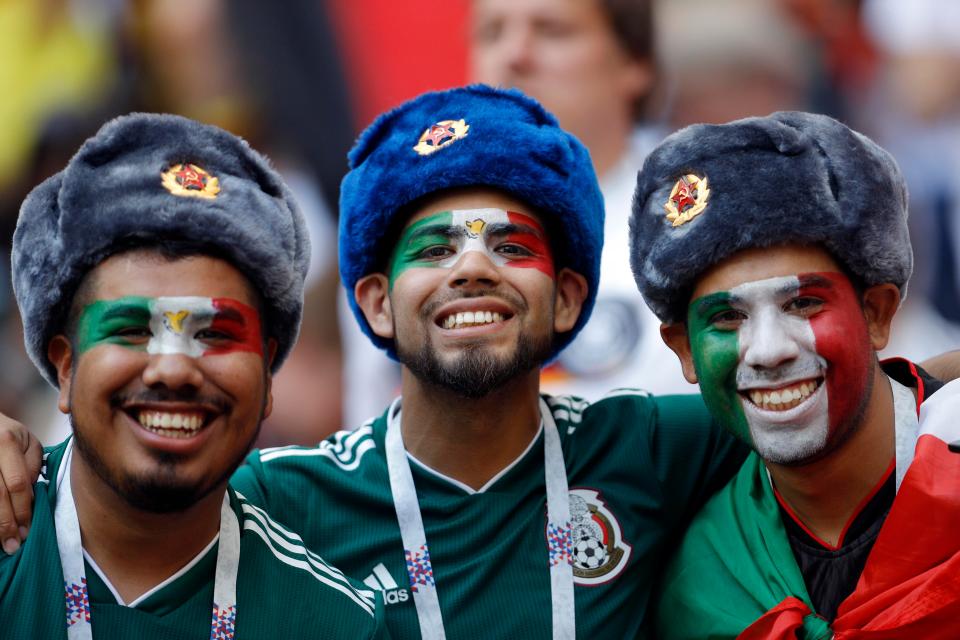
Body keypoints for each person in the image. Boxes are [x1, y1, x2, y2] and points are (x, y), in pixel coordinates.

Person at [0, 113, 385, 638]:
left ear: (269, 375)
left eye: (216, 334)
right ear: (65, 368)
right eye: (133, 328)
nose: (174, 369)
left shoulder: (330, 623)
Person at [628, 112, 960, 637]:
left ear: (876, 313)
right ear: (685, 350)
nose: (768, 351)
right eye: (727, 317)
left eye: (803, 303)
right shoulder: (697, 589)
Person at [467, 0, 690, 400]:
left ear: (635, 62)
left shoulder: (697, 221)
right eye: (492, 32)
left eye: (553, 30)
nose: (514, 55)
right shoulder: (402, 227)